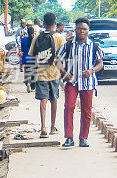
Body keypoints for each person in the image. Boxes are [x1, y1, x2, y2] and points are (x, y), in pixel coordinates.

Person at [56, 17, 103, 148]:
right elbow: (57, 61)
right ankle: (69, 137)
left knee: (87, 111)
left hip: (88, 83)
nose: (81, 31)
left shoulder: (94, 46)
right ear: (75, 30)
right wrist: (65, 73)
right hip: (72, 82)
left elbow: (100, 63)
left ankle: (83, 138)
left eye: (84, 29)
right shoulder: (68, 45)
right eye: (79, 29)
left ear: (88, 30)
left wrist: (92, 70)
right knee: (69, 108)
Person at [29, 12, 65, 137]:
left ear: (43, 23)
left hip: (41, 73)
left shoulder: (37, 37)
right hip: (55, 73)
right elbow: (63, 57)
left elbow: (32, 55)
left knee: (43, 101)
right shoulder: (60, 38)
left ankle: (43, 127)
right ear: (55, 23)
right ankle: (52, 127)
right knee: (54, 100)